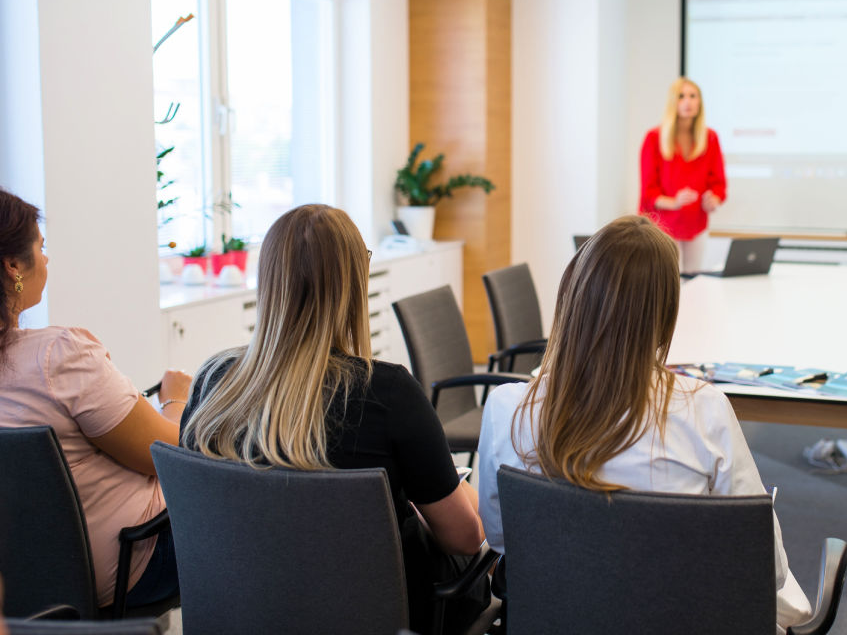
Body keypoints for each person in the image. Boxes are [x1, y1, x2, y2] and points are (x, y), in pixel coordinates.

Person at [477, 214, 810, 634]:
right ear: (666, 312)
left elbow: (502, 538)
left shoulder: (508, 407)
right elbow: (766, 570)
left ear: (574, 295)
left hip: (557, 619)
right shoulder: (704, 412)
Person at [180, 204, 487, 634]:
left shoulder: (212, 385)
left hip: (248, 612)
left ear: (268, 280)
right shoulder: (389, 394)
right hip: (380, 616)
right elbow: (465, 539)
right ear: (353, 284)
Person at [0, 188, 189, 609]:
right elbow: (168, 456)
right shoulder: (60, 356)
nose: (46, 259)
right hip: (125, 567)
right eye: (41, 248)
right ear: (13, 265)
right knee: (257, 520)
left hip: (23, 582)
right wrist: (176, 400)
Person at [639, 77, 727, 273]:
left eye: (693, 96)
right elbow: (648, 192)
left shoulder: (710, 138)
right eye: (681, 96)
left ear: (699, 102)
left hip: (696, 223)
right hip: (663, 225)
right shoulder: (653, 139)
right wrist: (674, 202)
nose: (688, 101)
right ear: (673, 102)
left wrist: (714, 199)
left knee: (694, 279)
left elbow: (719, 184)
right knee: (667, 281)